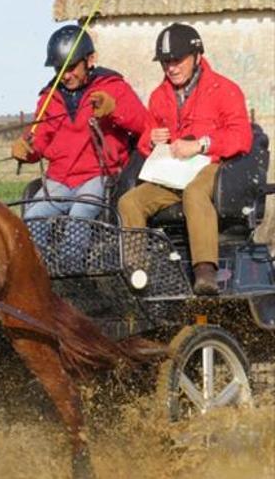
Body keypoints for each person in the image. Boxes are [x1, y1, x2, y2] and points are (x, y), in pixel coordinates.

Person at [117, 23, 252, 295]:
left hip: (215, 165)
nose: (171, 67)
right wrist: (151, 139)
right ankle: (136, 272)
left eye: (177, 60)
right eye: (166, 62)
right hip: (172, 173)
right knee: (129, 201)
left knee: (194, 193)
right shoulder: (158, 97)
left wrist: (201, 145)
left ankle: (205, 272)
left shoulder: (225, 89)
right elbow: (145, 142)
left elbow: (242, 138)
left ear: (197, 56)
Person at [13, 24, 149, 221]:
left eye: (71, 68)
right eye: (60, 69)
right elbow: (40, 139)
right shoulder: (49, 97)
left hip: (99, 177)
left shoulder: (113, 87)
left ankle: (74, 254)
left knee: (79, 217)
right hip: (59, 179)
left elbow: (144, 124)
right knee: (32, 220)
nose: (66, 76)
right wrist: (26, 150)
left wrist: (114, 110)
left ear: (90, 60)